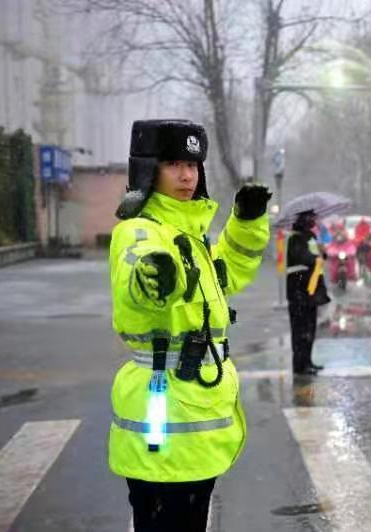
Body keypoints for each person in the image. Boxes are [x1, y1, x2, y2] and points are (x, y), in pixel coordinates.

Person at [109, 119, 272, 531]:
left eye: (194, 165)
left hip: (195, 415)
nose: (187, 175)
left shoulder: (191, 235)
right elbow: (139, 267)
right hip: (165, 414)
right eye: (174, 164)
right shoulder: (140, 230)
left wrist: (247, 223)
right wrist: (153, 276)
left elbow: (227, 272)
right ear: (149, 169)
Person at [286, 210, 331, 375]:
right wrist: (316, 255)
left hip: (312, 292)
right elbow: (304, 258)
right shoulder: (295, 238)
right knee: (300, 331)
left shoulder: (311, 237)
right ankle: (299, 365)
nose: (314, 220)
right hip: (299, 292)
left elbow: (319, 258)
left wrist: (322, 251)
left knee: (310, 330)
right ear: (304, 220)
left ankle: (308, 361)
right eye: (311, 218)